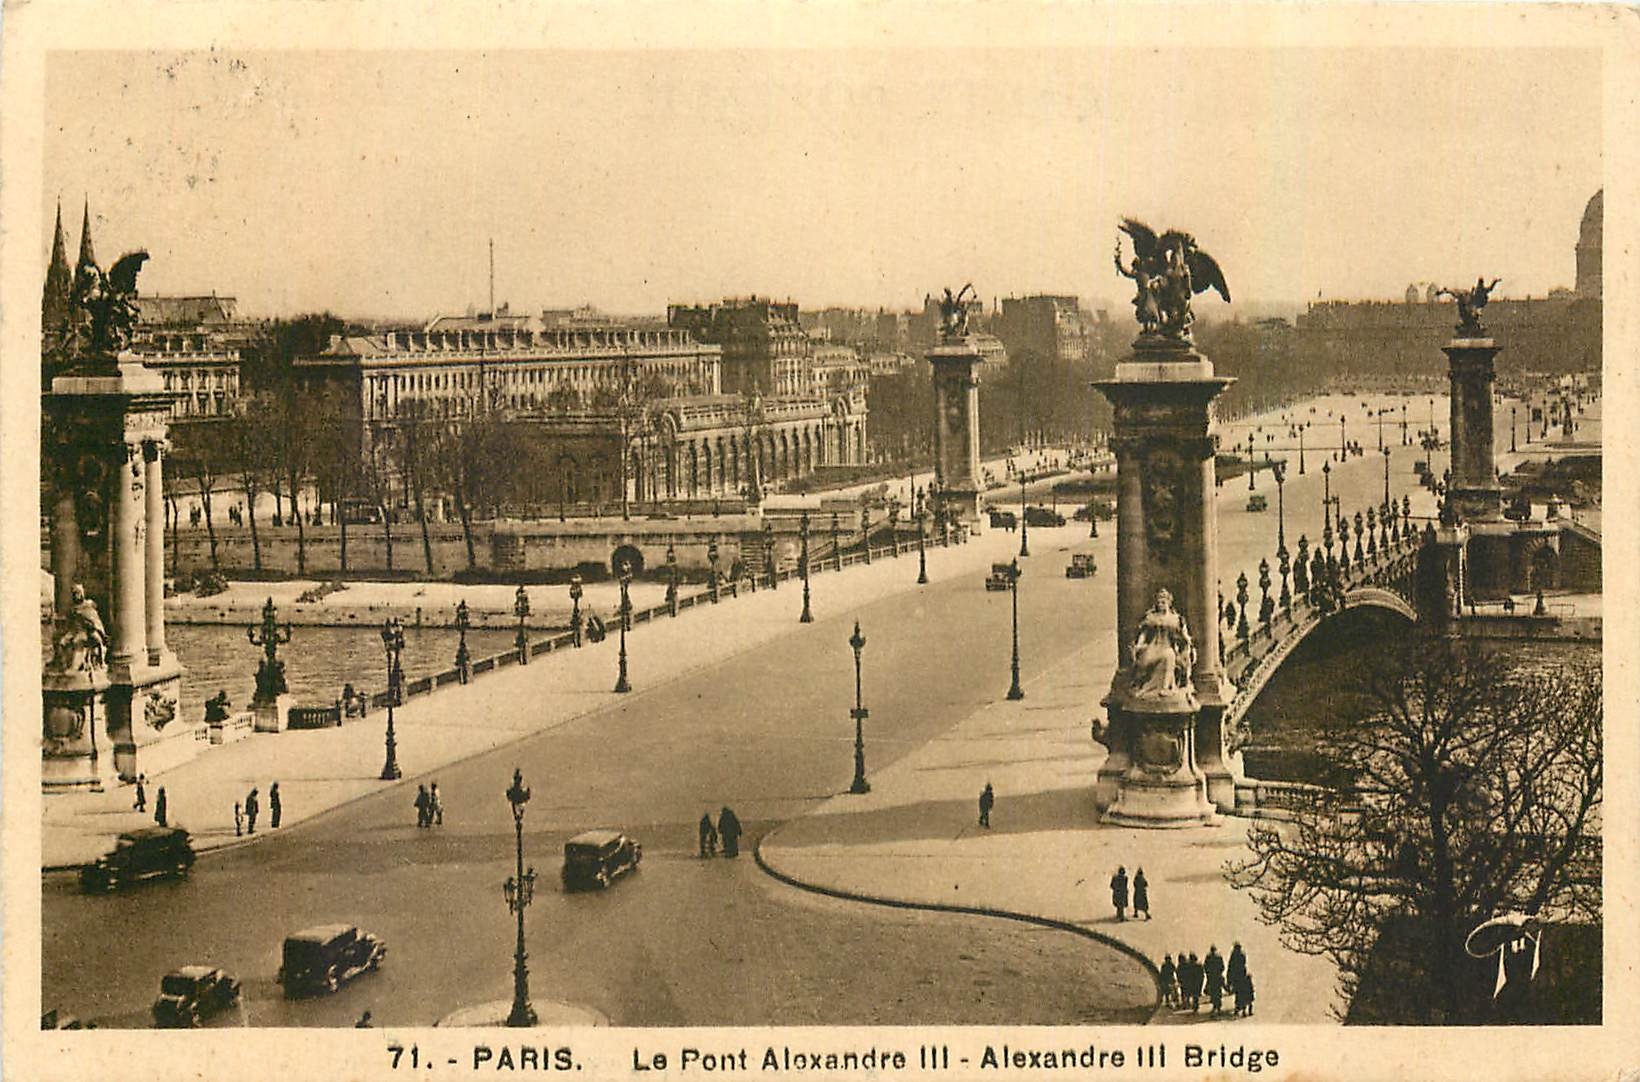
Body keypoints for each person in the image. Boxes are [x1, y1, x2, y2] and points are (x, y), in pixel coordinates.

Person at [1204, 944, 1226, 1016]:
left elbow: (1205, 967)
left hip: (1211, 977)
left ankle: (1214, 1006)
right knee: (1218, 992)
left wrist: (1208, 975)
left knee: (1213, 992)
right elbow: (1222, 967)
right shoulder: (1219, 956)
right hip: (1217, 977)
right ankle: (1219, 1007)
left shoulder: (1208, 957)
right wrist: (1219, 972)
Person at [1227, 942, 1247, 1007]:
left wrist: (1229, 976)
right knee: (1241, 989)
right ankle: (1240, 1003)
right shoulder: (1242, 954)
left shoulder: (1234, 954)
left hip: (1235, 974)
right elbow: (1244, 963)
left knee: (1237, 989)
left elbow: (1230, 964)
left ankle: (1238, 1003)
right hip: (1241, 974)